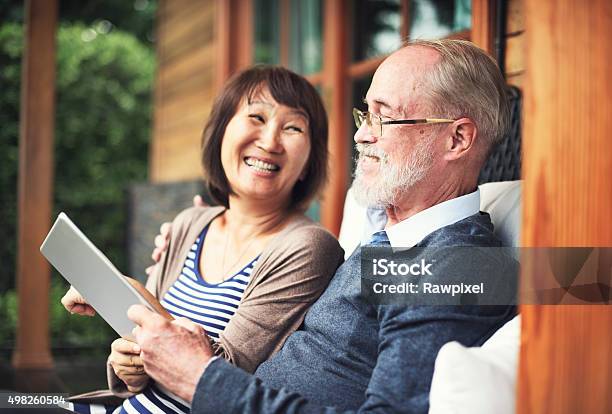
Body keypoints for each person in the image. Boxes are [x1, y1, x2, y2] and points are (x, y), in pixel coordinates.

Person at [127, 39, 516, 413]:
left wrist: (199, 378)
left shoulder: (459, 265)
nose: (362, 134)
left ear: (458, 139)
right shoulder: (388, 231)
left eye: (386, 117)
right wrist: (208, 230)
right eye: (367, 114)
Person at [60, 66, 344, 413]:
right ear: (221, 133)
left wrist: (125, 288)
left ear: (308, 162)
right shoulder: (188, 223)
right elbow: (145, 359)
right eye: (256, 117)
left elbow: (218, 375)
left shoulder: (308, 247)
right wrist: (127, 362)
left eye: (293, 128)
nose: (270, 142)